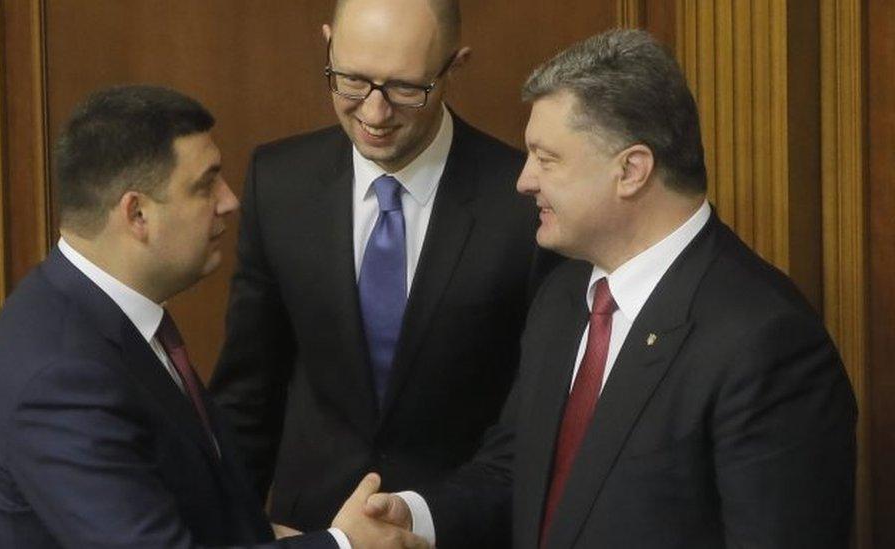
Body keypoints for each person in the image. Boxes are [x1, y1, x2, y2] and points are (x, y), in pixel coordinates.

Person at [363, 29, 858, 548]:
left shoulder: (766, 340)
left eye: (546, 158)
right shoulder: (562, 295)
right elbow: (519, 470)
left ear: (631, 170)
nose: (524, 180)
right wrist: (415, 516)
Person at [0, 85, 428, 549]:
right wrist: (342, 546)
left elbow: (194, 509)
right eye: (206, 185)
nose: (229, 201)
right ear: (137, 213)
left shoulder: (112, 319)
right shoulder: (60, 378)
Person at [209, 0, 552, 535]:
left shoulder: (524, 202)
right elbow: (249, 393)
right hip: (310, 530)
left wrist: (426, 518)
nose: (374, 113)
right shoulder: (278, 182)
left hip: (461, 530)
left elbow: (530, 418)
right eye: (351, 81)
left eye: (405, 89)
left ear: (454, 66)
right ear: (327, 44)